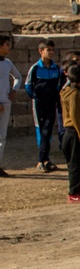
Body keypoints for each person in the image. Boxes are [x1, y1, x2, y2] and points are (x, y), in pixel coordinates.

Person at [25, 39, 63, 173]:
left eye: (53, 50)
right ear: (41, 51)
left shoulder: (56, 68)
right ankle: (41, 160)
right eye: (49, 50)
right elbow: (28, 85)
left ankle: (45, 159)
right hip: (39, 104)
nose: (51, 52)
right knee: (41, 131)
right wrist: (35, 98)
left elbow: (58, 85)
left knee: (48, 131)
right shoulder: (35, 68)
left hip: (51, 103)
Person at [60, 64, 80, 204]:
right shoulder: (74, 93)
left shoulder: (66, 90)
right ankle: (74, 193)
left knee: (76, 164)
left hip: (69, 132)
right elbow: (74, 116)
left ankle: (76, 190)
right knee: (76, 165)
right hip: (74, 132)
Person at [0, 34, 22, 178]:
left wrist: (14, 90)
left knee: (2, 136)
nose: (9, 47)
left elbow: (18, 77)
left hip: (5, 102)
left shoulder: (7, 63)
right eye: (6, 44)